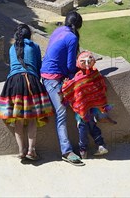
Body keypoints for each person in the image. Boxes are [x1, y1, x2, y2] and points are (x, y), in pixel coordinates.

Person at [0, 24, 53, 161]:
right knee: (32, 118)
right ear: (30, 35)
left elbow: (12, 66)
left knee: (18, 121)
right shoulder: (34, 46)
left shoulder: (11, 48)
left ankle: (21, 151)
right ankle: (31, 151)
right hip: (32, 82)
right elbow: (38, 66)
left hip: (14, 84)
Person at [41, 12, 84, 166]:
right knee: (61, 112)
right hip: (52, 79)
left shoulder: (58, 30)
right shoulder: (72, 38)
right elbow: (70, 66)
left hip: (47, 72)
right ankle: (66, 150)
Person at [61, 51, 114, 160]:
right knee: (93, 125)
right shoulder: (95, 73)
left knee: (82, 128)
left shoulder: (78, 77)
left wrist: (65, 83)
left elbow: (69, 89)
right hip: (94, 107)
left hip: (82, 109)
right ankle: (101, 144)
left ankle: (83, 151)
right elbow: (102, 86)